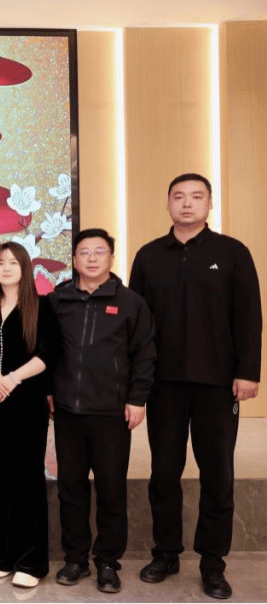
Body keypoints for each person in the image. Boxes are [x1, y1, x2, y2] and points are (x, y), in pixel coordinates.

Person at [129, 173, 261, 600]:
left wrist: (248, 372)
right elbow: (136, 326)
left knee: (217, 474)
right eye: (179, 197)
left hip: (218, 385)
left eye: (196, 197)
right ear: (168, 203)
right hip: (163, 385)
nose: (187, 204)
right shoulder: (149, 256)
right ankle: (165, 553)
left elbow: (249, 317)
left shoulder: (233, 252)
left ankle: (212, 562)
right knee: (163, 473)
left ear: (209, 204)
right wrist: (136, 383)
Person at [48, 228, 155, 594]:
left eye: (99, 251)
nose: (91, 258)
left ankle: (107, 561)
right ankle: (75, 558)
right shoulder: (58, 300)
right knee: (71, 488)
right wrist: (49, 391)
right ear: (74, 259)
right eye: (84, 252)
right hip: (67, 411)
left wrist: (137, 398)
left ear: (111, 256)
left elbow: (145, 354)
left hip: (111, 412)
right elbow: (45, 351)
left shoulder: (130, 302)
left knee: (111, 490)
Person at [0, 242, 58, 588]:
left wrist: (11, 378)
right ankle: (2, 556)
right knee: (5, 476)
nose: (5, 268)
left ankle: (32, 562)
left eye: (12, 262)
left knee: (29, 478)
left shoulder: (42, 305)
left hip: (28, 400)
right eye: (0, 262)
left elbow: (48, 353)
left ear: (25, 267)